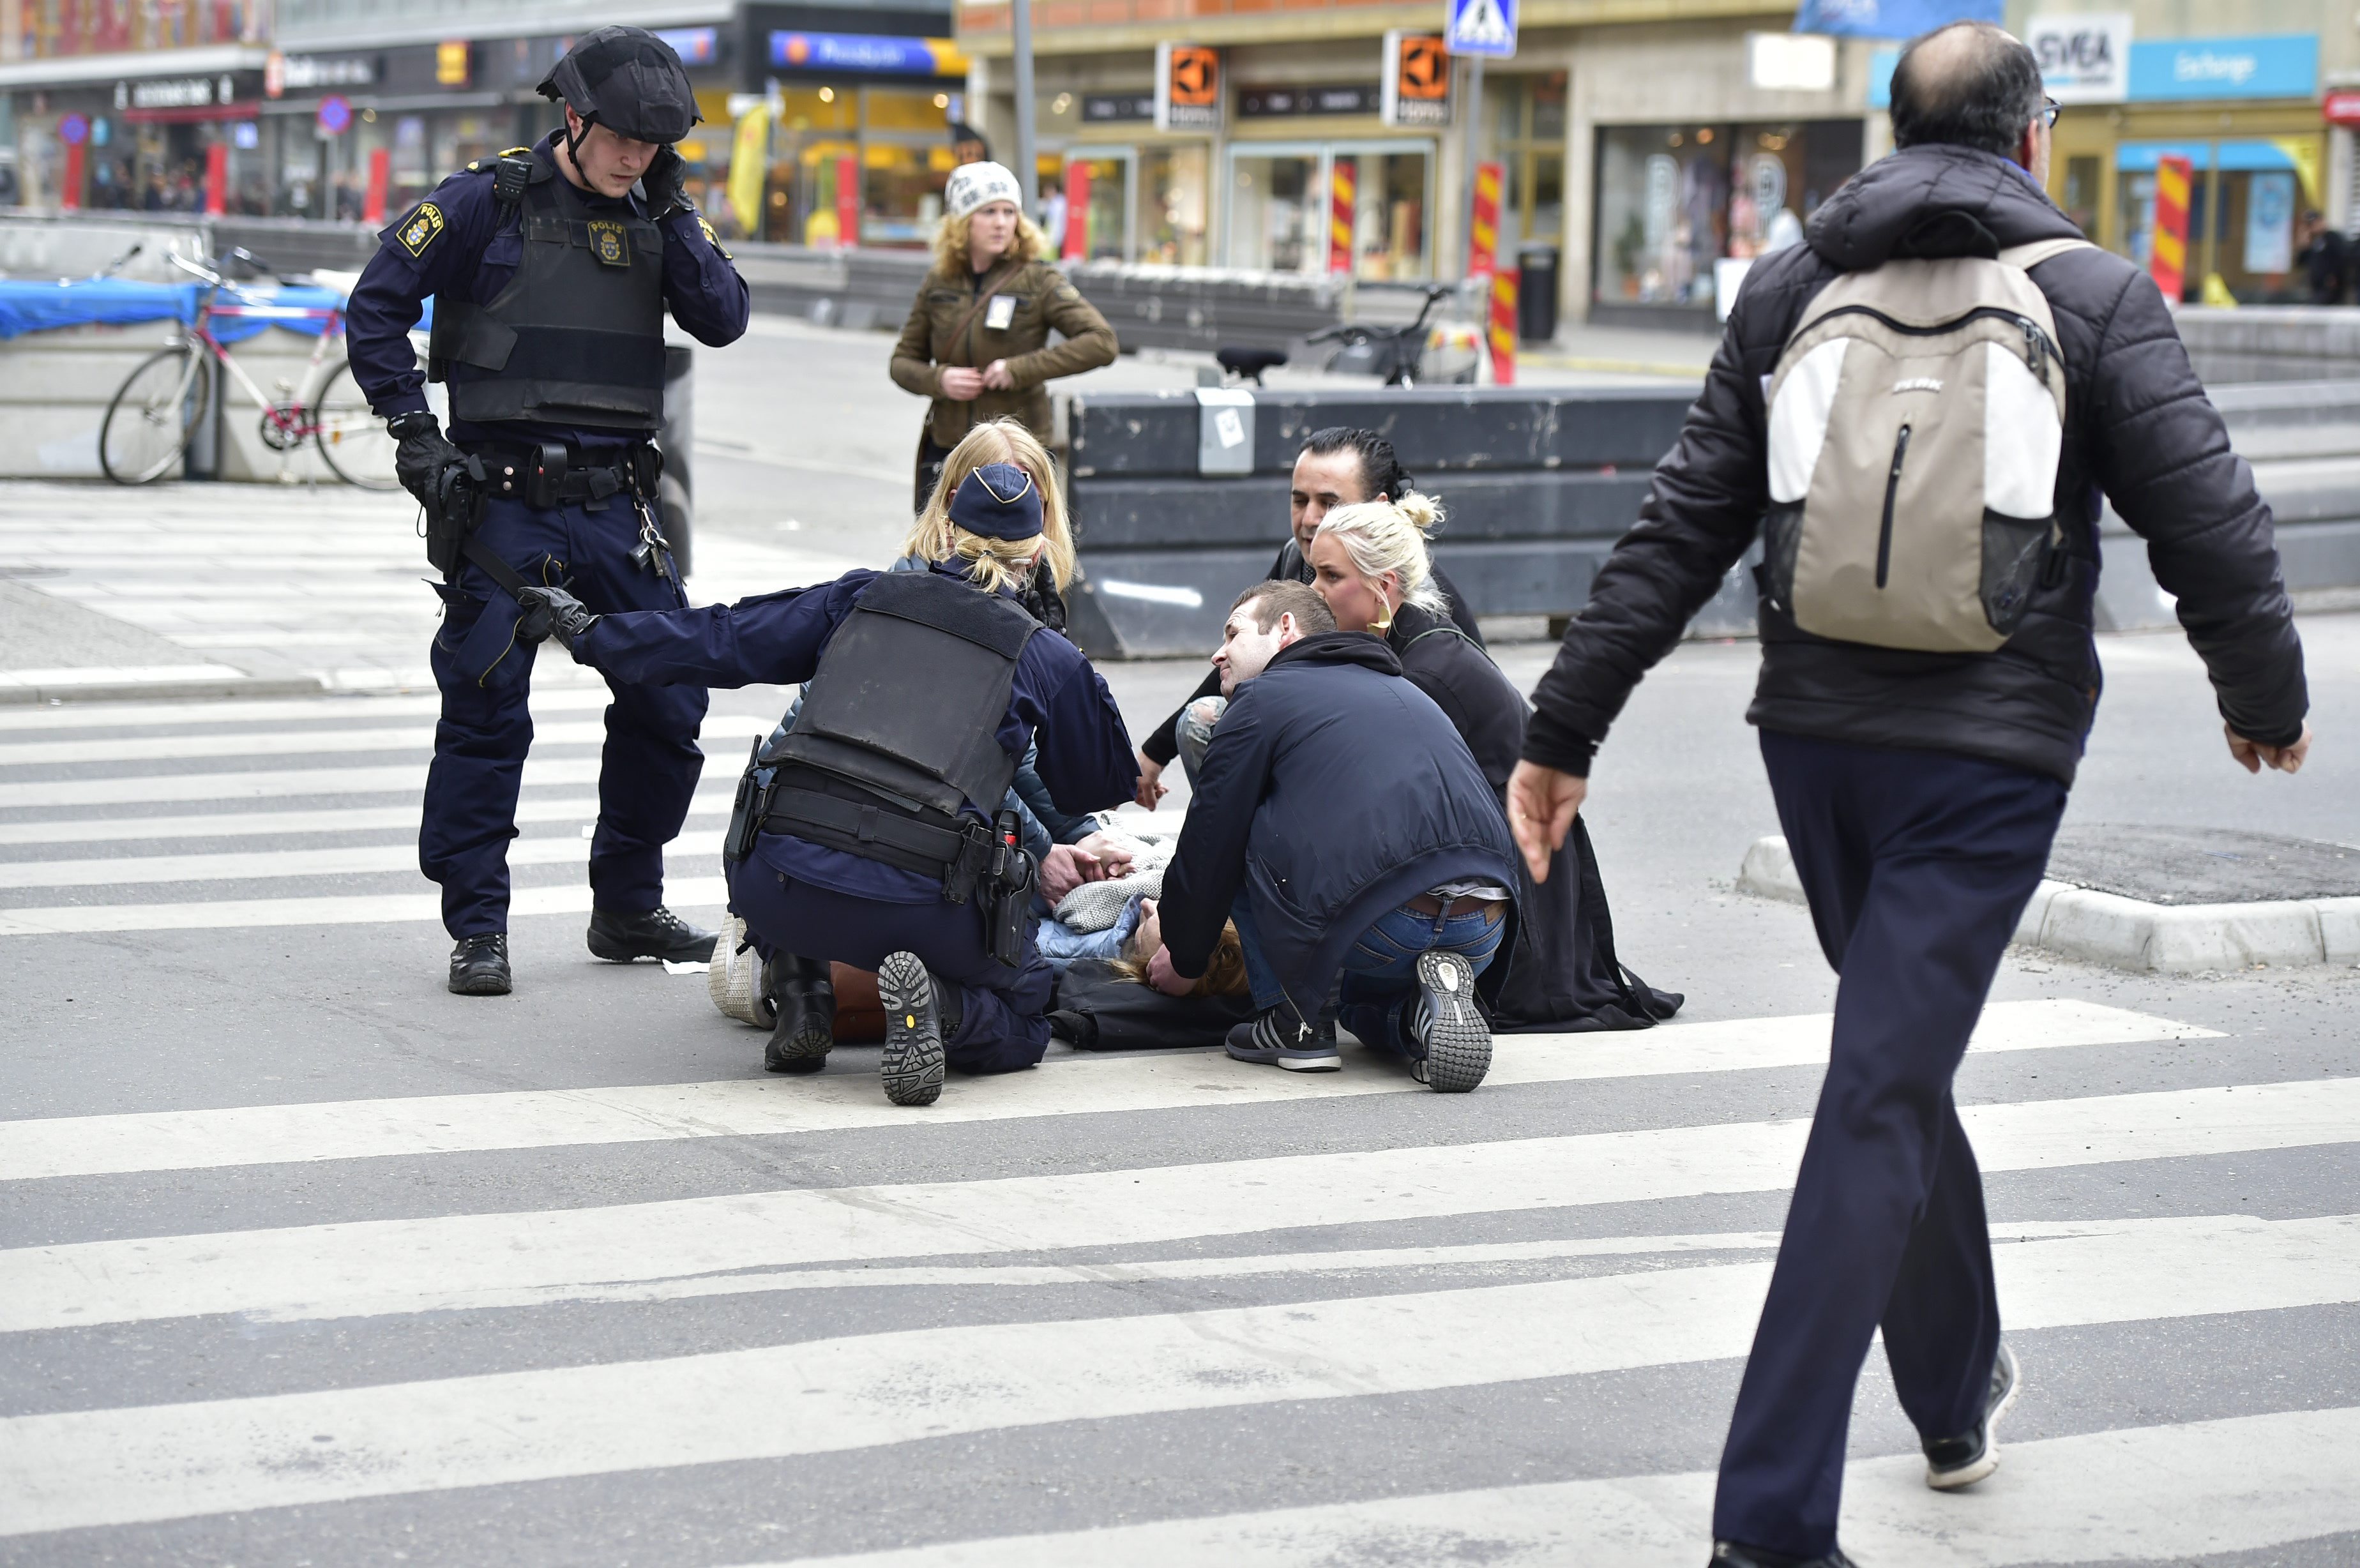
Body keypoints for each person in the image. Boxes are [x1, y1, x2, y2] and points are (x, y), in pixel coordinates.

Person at [1501, 23, 2312, 1567]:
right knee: (1884, 1078)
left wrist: (1563, 725)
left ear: (1890, 130)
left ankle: (1950, 1391)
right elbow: (2213, 513)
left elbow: (1680, 527)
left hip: (1816, 743)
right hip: (1990, 755)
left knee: (1891, 1053)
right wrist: (2260, 691)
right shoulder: (2092, 291)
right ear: (2032, 138)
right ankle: (1772, 1520)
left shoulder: (1791, 285)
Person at [524, 449, 1140, 1106]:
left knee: (787, 788)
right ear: (1037, 550)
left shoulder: (859, 597)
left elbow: (723, 638)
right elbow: (1094, 785)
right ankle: (942, 1002)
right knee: (1030, 1008)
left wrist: (590, 631)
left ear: (947, 526)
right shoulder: (1042, 653)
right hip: (926, 907)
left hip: (778, 885)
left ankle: (802, 997)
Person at [347, 25, 751, 997]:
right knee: (488, 712)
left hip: (618, 505)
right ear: (574, 118)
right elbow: (376, 305)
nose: (636, 158)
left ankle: (625, 904)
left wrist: (679, 211)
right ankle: (478, 928)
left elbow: (724, 318)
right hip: (505, 508)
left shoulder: (659, 206)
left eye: (655, 146)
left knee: (670, 697)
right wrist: (414, 434)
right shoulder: (488, 200)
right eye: (622, 140)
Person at [1308, 495, 1681, 1032]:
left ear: (1383, 587)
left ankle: (1416, 1011)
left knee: (1358, 1007)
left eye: (1328, 576)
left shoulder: (1423, 675)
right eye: (1312, 574)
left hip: (1515, 905)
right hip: (1496, 870)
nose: (1314, 591)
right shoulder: (1409, 647)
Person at [1150, 582, 1521, 1093]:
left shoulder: (1261, 698)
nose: (1218, 653)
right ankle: (1420, 1016)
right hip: (1485, 924)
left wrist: (1186, 957)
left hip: (1383, 923)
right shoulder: (1407, 689)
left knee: (1236, 823)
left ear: (1285, 629)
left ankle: (1294, 1024)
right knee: (1362, 1012)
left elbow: (1209, 845)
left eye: (1232, 634)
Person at [1132, 427, 1485, 807]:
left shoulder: (1415, 602)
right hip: (1341, 736)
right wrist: (1155, 751)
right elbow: (1244, 657)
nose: (1310, 519)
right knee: (1203, 722)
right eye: (1300, 500)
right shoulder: (1298, 559)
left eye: (1329, 504)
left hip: (1428, 788)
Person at [889, 160, 1117, 516]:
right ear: (963, 223)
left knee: (1017, 557)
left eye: (1009, 211)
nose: (1000, 222)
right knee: (939, 556)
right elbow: (901, 363)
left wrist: (1019, 369)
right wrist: (939, 379)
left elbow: (1101, 342)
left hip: (1015, 452)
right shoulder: (939, 282)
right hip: (950, 447)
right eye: (988, 211)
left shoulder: (1039, 281)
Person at [2296, 209, 2349, 305]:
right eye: (2310, 225)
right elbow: (2300, 263)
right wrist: (2303, 245)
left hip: (2332, 288)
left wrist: (2335, 276)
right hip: (2316, 287)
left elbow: (2342, 258)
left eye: (2314, 223)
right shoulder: (2313, 242)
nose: (2312, 227)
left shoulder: (2333, 237)